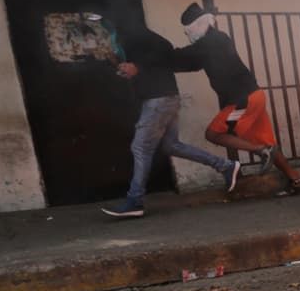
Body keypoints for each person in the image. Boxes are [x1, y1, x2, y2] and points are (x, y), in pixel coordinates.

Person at [122, 3, 300, 192]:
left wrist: (143, 64)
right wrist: (153, 63)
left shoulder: (209, 43)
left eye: (187, 30)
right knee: (269, 143)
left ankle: (261, 151)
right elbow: (189, 63)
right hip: (253, 96)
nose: (187, 35)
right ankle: (295, 180)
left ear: (196, 26)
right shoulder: (217, 40)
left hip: (243, 100)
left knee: (214, 134)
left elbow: (178, 58)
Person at [99, 15, 242, 219]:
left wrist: (138, 67)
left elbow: (164, 51)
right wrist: (124, 65)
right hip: (163, 98)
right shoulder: (135, 40)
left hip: (158, 99)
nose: (109, 32)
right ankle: (225, 166)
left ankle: (135, 201)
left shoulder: (141, 38)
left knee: (140, 147)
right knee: (171, 145)